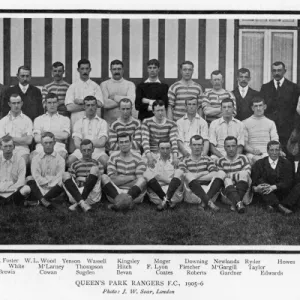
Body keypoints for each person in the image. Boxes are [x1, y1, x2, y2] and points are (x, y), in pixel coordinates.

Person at [260, 61, 300, 157]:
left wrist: (295, 129)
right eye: (274, 70)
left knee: (288, 157)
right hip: (270, 129)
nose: (276, 73)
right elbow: (262, 108)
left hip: (288, 130)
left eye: (279, 70)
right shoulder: (265, 88)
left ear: (285, 71)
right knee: (271, 156)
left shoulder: (294, 88)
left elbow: (297, 110)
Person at [102, 133, 147, 208]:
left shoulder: (138, 157)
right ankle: (126, 203)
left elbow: (139, 180)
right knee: (103, 177)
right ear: (118, 144)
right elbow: (112, 180)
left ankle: (118, 204)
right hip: (116, 192)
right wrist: (132, 177)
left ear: (130, 142)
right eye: (121, 142)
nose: (124, 144)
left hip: (134, 193)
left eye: (126, 141)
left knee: (142, 180)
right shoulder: (113, 157)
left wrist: (120, 179)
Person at [178, 135, 221, 211]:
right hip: (191, 193)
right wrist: (203, 173)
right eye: (194, 145)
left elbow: (214, 173)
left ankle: (204, 202)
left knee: (219, 174)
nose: (197, 147)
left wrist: (194, 177)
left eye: (199, 145)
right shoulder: (184, 160)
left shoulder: (208, 159)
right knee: (186, 175)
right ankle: (208, 202)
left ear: (202, 146)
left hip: (207, 189)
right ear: (190, 146)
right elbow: (184, 176)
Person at [211, 136, 252, 213]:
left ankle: (236, 203)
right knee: (226, 180)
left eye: (233, 146)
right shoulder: (220, 161)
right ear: (224, 148)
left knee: (243, 173)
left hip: (244, 194)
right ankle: (238, 203)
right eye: (228, 146)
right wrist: (234, 177)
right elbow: (221, 178)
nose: (231, 149)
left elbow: (247, 173)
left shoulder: (243, 158)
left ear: (237, 146)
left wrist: (229, 176)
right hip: (228, 194)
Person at [251, 140, 294, 215]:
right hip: (264, 192)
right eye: (271, 150)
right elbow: (254, 180)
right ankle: (279, 206)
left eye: (277, 150)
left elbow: (288, 181)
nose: (274, 152)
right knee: (262, 185)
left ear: (280, 151)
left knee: (269, 188)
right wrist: (257, 188)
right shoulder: (259, 163)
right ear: (267, 151)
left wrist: (273, 187)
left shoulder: (286, 163)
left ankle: (271, 205)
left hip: (280, 192)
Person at [62, 139, 104, 212]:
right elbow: (72, 181)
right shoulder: (75, 164)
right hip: (77, 192)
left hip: (92, 194)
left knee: (94, 169)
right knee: (65, 174)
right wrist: (87, 179)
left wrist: (81, 178)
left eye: (89, 150)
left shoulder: (97, 163)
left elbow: (99, 180)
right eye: (84, 150)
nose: (86, 153)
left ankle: (78, 203)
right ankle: (82, 203)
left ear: (93, 150)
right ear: (80, 151)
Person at [27, 132, 66, 210]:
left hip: (54, 188)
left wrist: (50, 184)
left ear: (54, 143)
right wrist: (45, 182)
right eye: (45, 143)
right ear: (41, 143)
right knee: (29, 178)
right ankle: (46, 200)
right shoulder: (36, 158)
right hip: (40, 186)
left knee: (63, 180)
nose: (48, 145)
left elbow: (59, 177)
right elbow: (36, 176)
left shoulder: (60, 159)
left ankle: (40, 200)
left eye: (50, 143)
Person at [68, 96, 109, 168]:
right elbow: (77, 144)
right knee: (69, 161)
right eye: (88, 105)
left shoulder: (103, 122)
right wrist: (94, 143)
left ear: (96, 106)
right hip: (81, 151)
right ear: (84, 107)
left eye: (93, 105)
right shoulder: (78, 122)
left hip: (98, 151)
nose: (90, 107)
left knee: (106, 161)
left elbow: (102, 142)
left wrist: (84, 142)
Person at [143, 139, 184, 210]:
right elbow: (151, 181)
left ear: (171, 149)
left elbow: (180, 181)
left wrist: (161, 178)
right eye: (162, 148)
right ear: (158, 149)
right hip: (157, 192)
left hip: (173, 192)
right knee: (147, 176)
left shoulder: (176, 161)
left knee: (179, 174)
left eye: (167, 148)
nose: (165, 151)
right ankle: (167, 201)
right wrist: (171, 181)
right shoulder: (153, 161)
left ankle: (164, 201)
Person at [65, 59, 103, 129]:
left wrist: (81, 102)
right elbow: (69, 107)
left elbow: (100, 104)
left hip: (94, 125)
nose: (85, 71)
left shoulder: (95, 86)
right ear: (78, 70)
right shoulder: (73, 87)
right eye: (82, 69)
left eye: (87, 69)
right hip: (76, 124)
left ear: (90, 69)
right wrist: (91, 105)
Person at [32, 93, 70, 160]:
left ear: (57, 103)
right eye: (49, 103)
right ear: (45, 104)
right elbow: (37, 139)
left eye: (54, 102)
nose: (52, 105)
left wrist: (45, 133)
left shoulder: (65, 119)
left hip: (59, 147)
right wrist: (57, 135)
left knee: (62, 155)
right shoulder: (38, 119)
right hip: (41, 147)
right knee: (32, 156)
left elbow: (64, 136)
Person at [142, 100, 179, 168]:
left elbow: (174, 141)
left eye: (162, 110)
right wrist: (149, 157)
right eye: (158, 110)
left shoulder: (172, 124)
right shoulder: (146, 122)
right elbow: (145, 141)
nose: (160, 113)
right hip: (151, 152)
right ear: (153, 111)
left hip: (166, 152)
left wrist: (175, 156)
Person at [243, 96, 279, 165]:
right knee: (258, 160)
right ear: (252, 108)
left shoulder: (270, 123)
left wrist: (274, 151)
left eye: (260, 105)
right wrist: (253, 151)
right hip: (252, 154)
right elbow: (245, 144)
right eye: (256, 106)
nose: (258, 108)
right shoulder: (245, 123)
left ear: (265, 107)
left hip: (269, 153)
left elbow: (275, 141)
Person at [0, 94, 33, 165]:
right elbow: (1, 140)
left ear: (22, 103)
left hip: (22, 150)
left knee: (22, 162)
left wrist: (10, 138)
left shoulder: (27, 120)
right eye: (14, 103)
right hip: (5, 149)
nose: (16, 105)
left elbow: (29, 140)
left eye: (18, 103)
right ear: (9, 104)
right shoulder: (3, 121)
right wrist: (21, 139)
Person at [101, 59, 136, 125]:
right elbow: (105, 104)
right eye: (114, 69)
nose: (117, 71)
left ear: (123, 70)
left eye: (119, 69)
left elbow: (131, 101)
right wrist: (125, 101)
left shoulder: (130, 84)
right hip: (109, 123)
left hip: (127, 124)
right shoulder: (104, 84)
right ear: (110, 70)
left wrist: (114, 97)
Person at [0, 135, 31, 206]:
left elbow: (21, 181)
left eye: (10, 146)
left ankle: (5, 201)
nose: (8, 149)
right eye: (5, 146)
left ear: (14, 147)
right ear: (1, 147)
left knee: (26, 189)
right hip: (1, 188)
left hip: (14, 190)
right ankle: (12, 201)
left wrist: (10, 187)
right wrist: (9, 184)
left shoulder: (20, 160)